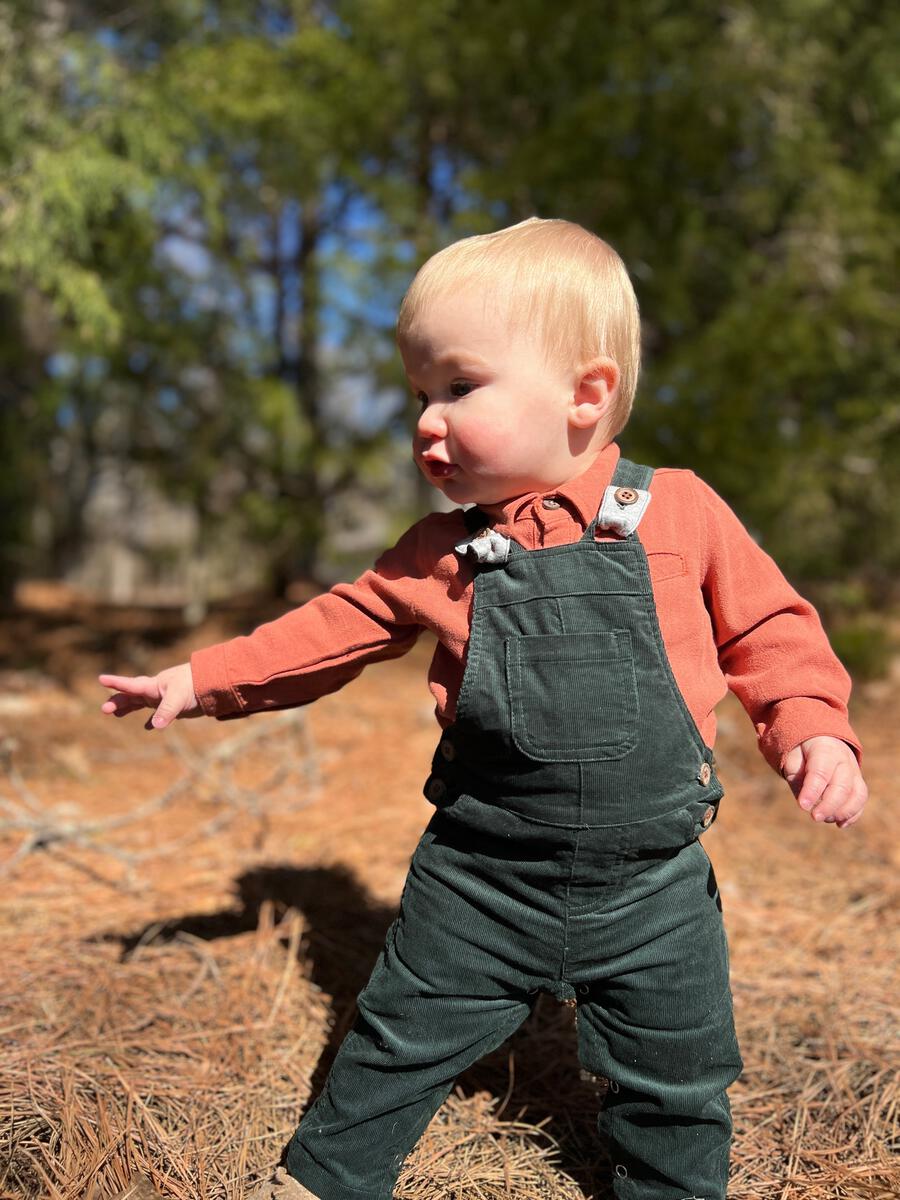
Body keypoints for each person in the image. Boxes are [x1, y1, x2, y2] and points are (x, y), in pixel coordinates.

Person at [99, 217, 868, 1200]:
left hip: (652, 890)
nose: (428, 419)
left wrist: (811, 726)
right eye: (419, 393)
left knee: (679, 1078)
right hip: (479, 880)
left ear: (585, 395)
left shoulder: (677, 513)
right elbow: (327, 631)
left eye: (459, 387)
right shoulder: (441, 555)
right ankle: (326, 1179)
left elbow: (772, 629)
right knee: (393, 1040)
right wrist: (203, 679)